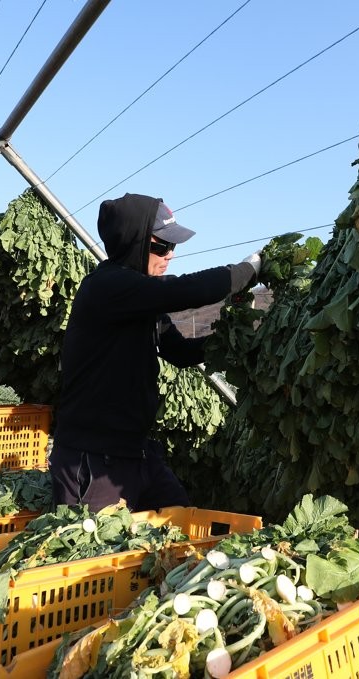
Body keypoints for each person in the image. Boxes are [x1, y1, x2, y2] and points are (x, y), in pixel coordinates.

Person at [51, 193, 261, 512]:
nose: (170, 255)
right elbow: (185, 290)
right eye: (161, 246)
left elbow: (180, 352)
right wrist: (247, 271)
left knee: (180, 523)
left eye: (173, 247)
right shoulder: (107, 287)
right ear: (132, 244)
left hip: (136, 452)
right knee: (97, 556)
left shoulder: (139, 301)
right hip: (93, 459)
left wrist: (230, 335)